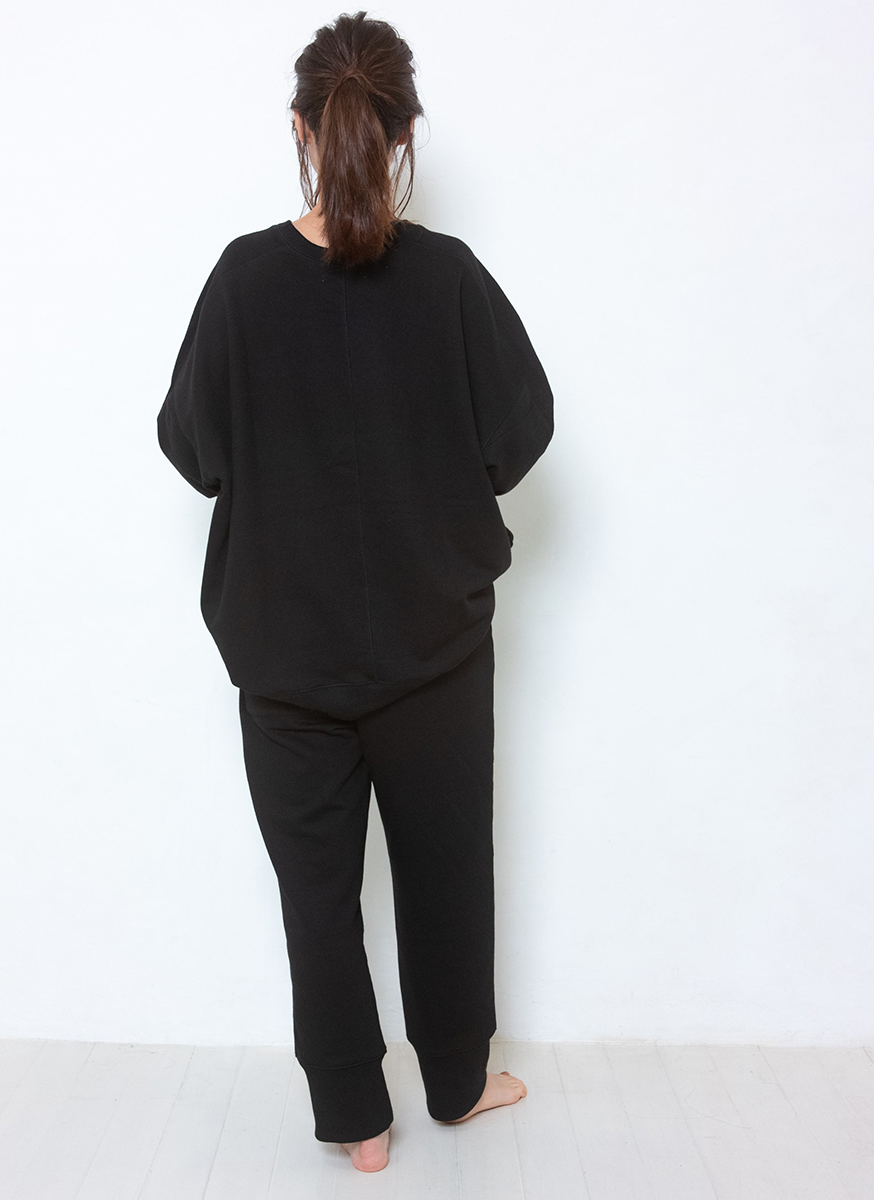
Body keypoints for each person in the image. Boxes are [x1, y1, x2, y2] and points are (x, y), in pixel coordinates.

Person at [157, 10, 553, 1174]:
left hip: (286, 658)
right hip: (434, 647)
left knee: (317, 898)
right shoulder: (450, 278)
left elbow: (192, 447)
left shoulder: (242, 282)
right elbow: (520, 432)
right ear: (405, 133)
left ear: (300, 129)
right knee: (446, 877)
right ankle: (459, 1083)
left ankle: (357, 1125)